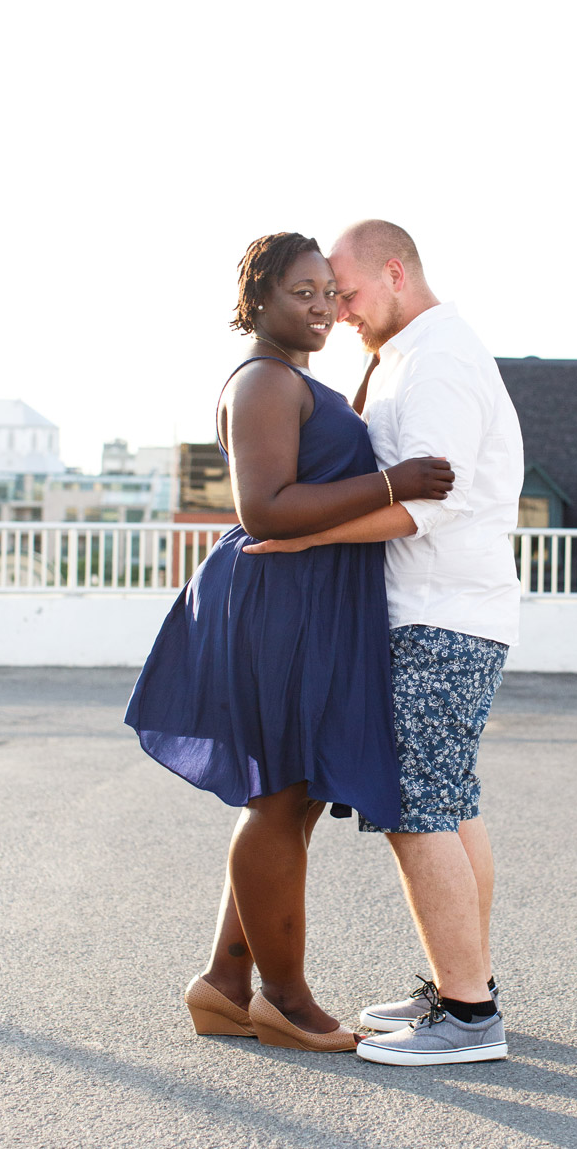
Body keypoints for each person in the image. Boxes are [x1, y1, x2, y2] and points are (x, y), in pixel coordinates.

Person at [124, 232, 454, 1052]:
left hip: (303, 600)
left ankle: (225, 985)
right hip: (277, 600)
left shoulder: (297, 379)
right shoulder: (266, 379)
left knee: (292, 795)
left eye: (327, 295)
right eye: (301, 291)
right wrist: (394, 482)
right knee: (278, 797)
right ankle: (287, 998)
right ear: (261, 297)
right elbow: (263, 508)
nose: (321, 308)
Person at [246, 219, 523, 1066]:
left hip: (441, 611)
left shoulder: (437, 359)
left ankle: (470, 1017)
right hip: (451, 608)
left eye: (350, 293)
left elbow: (427, 501)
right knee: (451, 801)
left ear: (395, 273)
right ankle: (462, 985)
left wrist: (305, 539)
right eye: (324, 296)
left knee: (418, 808)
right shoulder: (411, 354)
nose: (341, 312)